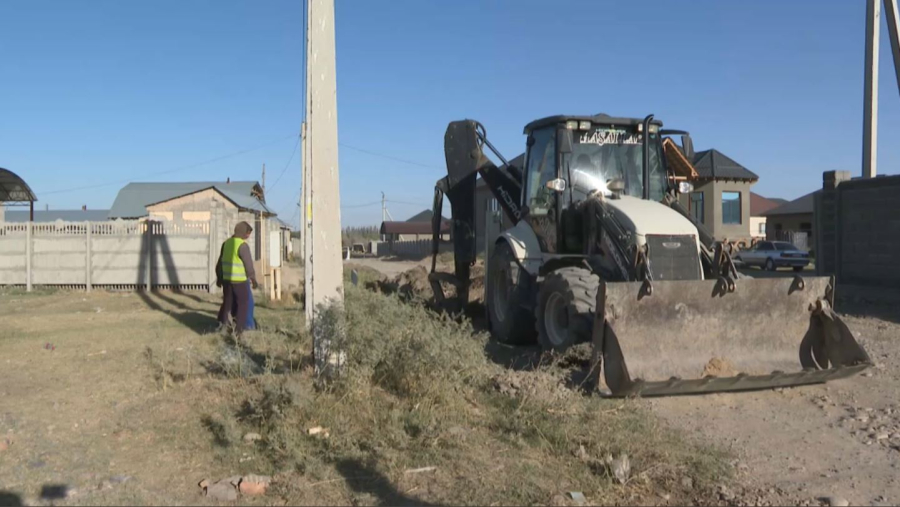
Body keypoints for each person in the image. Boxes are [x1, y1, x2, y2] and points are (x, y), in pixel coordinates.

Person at [216, 222, 258, 335]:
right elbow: (248, 265)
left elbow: (220, 263)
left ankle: (224, 327)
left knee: (228, 304)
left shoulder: (226, 244)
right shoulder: (242, 246)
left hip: (226, 281)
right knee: (243, 305)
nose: (248, 236)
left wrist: (219, 278)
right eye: (248, 233)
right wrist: (253, 279)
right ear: (244, 233)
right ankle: (239, 331)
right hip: (240, 282)